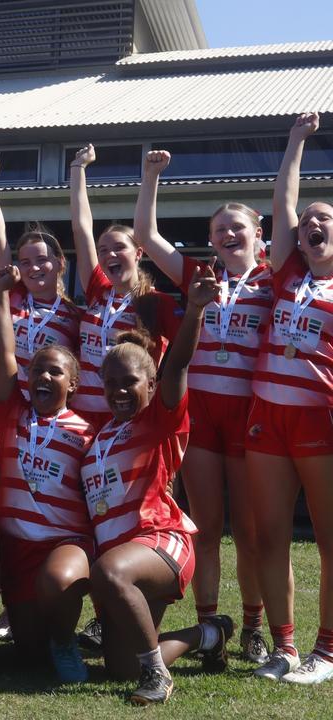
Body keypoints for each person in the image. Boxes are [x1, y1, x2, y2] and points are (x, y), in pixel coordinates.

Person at [134, 149, 271, 664]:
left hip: (252, 415)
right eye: (219, 230)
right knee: (208, 528)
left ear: (259, 233)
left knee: (253, 532)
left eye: (237, 227)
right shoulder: (198, 274)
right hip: (201, 415)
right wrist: (150, 176)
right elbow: (146, 236)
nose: (227, 236)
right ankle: (212, 623)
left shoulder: (275, 278)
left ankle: (255, 626)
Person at [84, 265, 231, 705]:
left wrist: (195, 312)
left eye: (129, 382)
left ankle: (157, 677)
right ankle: (207, 634)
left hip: (161, 543)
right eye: (110, 384)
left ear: (151, 383)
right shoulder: (99, 437)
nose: (119, 391)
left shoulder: (161, 418)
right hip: (123, 558)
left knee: (108, 571)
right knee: (117, 667)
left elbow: (180, 361)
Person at [245, 112, 333, 684]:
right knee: (269, 534)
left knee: (330, 540)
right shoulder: (285, 272)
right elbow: (282, 201)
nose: (312, 225)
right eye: (308, 222)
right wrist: (296, 141)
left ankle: (328, 651)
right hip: (267, 419)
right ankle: (285, 646)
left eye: (325, 219)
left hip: (320, 420)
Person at [0, 263, 96, 682]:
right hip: (17, 548)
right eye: (38, 370)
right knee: (29, 655)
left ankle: (66, 640)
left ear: (74, 384)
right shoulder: (12, 411)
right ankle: (46, 637)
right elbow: (4, 353)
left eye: (56, 371)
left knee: (58, 579)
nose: (44, 376)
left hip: (64, 543)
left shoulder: (87, 433)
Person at [68, 144, 182, 428]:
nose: (109, 255)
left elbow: (181, 360)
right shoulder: (98, 289)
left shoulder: (158, 303)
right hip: (82, 414)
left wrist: (150, 175)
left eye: (119, 247)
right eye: (103, 250)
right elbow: (81, 228)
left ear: (139, 253)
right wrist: (77, 169)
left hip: (131, 416)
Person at [0, 155, 82, 400]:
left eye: (41, 260)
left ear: (60, 262)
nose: (33, 268)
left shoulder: (74, 318)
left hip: (41, 409)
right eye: (25, 262)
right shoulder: (12, 295)